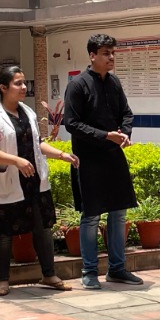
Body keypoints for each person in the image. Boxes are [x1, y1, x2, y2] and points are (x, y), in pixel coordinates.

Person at [0, 65, 78, 297]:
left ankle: (49, 274)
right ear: (3, 87)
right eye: (18, 83)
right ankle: (2, 281)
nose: (23, 87)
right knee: (3, 232)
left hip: (32, 181)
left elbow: (38, 143)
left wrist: (62, 155)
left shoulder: (27, 112)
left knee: (42, 228)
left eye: (24, 83)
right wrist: (16, 161)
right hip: (4, 182)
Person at [62, 33, 142, 290]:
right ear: (92, 55)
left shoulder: (114, 82)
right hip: (88, 158)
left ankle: (117, 269)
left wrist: (125, 134)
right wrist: (105, 136)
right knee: (91, 216)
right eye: (106, 53)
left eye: (113, 53)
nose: (111, 58)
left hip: (113, 156)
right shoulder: (77, 85)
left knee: (118, 213)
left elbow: (126, 113)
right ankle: (89, 271)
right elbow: (71, 123)